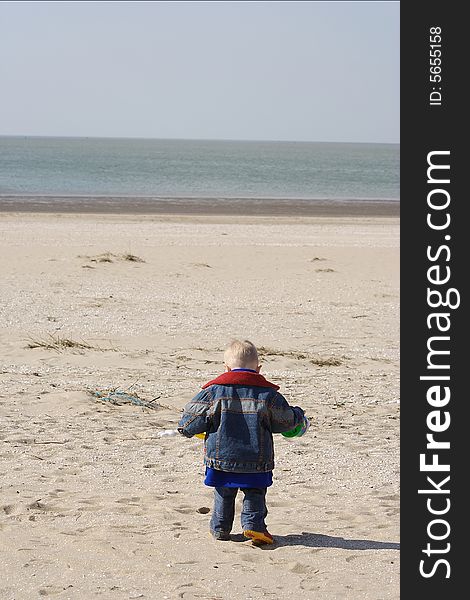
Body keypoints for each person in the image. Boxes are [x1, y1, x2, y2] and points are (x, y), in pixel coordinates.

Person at [177, 339, 308, 545]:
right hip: (257, 459)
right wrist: (299, 416)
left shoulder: (213, 392)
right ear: (258, 368)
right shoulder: (268, 395)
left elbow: (191, 418)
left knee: (223, 491)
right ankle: (254, 526)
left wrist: (186, 429)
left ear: (226, 368)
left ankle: (220, 528)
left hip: (221, 459)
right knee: (255, 492)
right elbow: (285, 421)